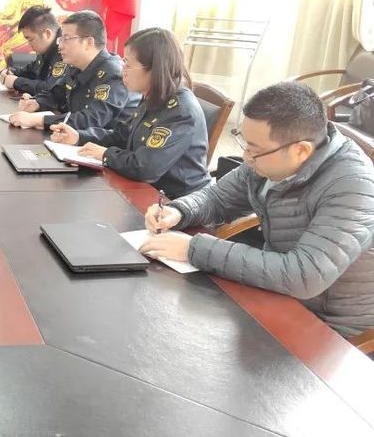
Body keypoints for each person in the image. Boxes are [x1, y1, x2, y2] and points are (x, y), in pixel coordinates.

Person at [140, 81, 374, 338]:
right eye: (246, 144)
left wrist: (193, 249)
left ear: (301, 150)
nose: (247, 158)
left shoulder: (353, 185)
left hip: (329, 327)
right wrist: (179, 211)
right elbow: (218, 198)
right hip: (276, 293)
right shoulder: (266, 160)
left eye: (255, 150)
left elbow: (305, 275)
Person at [49, 28, 211, 199]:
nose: (122, 71)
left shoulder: (180, 111)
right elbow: (123, 135)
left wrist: (105, 154)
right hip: (144, 190)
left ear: (154, 69)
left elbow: (146, 167)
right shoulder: (153, 95)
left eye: (127, 64)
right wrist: (79, 137)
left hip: (175, 202)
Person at [9, 10, 130, 132]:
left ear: (88, 42)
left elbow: (91, 119)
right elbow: (56, 93)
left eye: (66, 39)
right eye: (60, 39)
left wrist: (39, 120)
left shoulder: (114, 74)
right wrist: (37, 103)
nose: (60, 46)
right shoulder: (76, 66)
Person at [0, 4, 72, 99]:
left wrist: (16, 82)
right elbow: (30, 71)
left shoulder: (65, 51)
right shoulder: (45, 49)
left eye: (30, 39)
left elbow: (51, 89)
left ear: (47, 33)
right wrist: (10, 72)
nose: (29, 44)